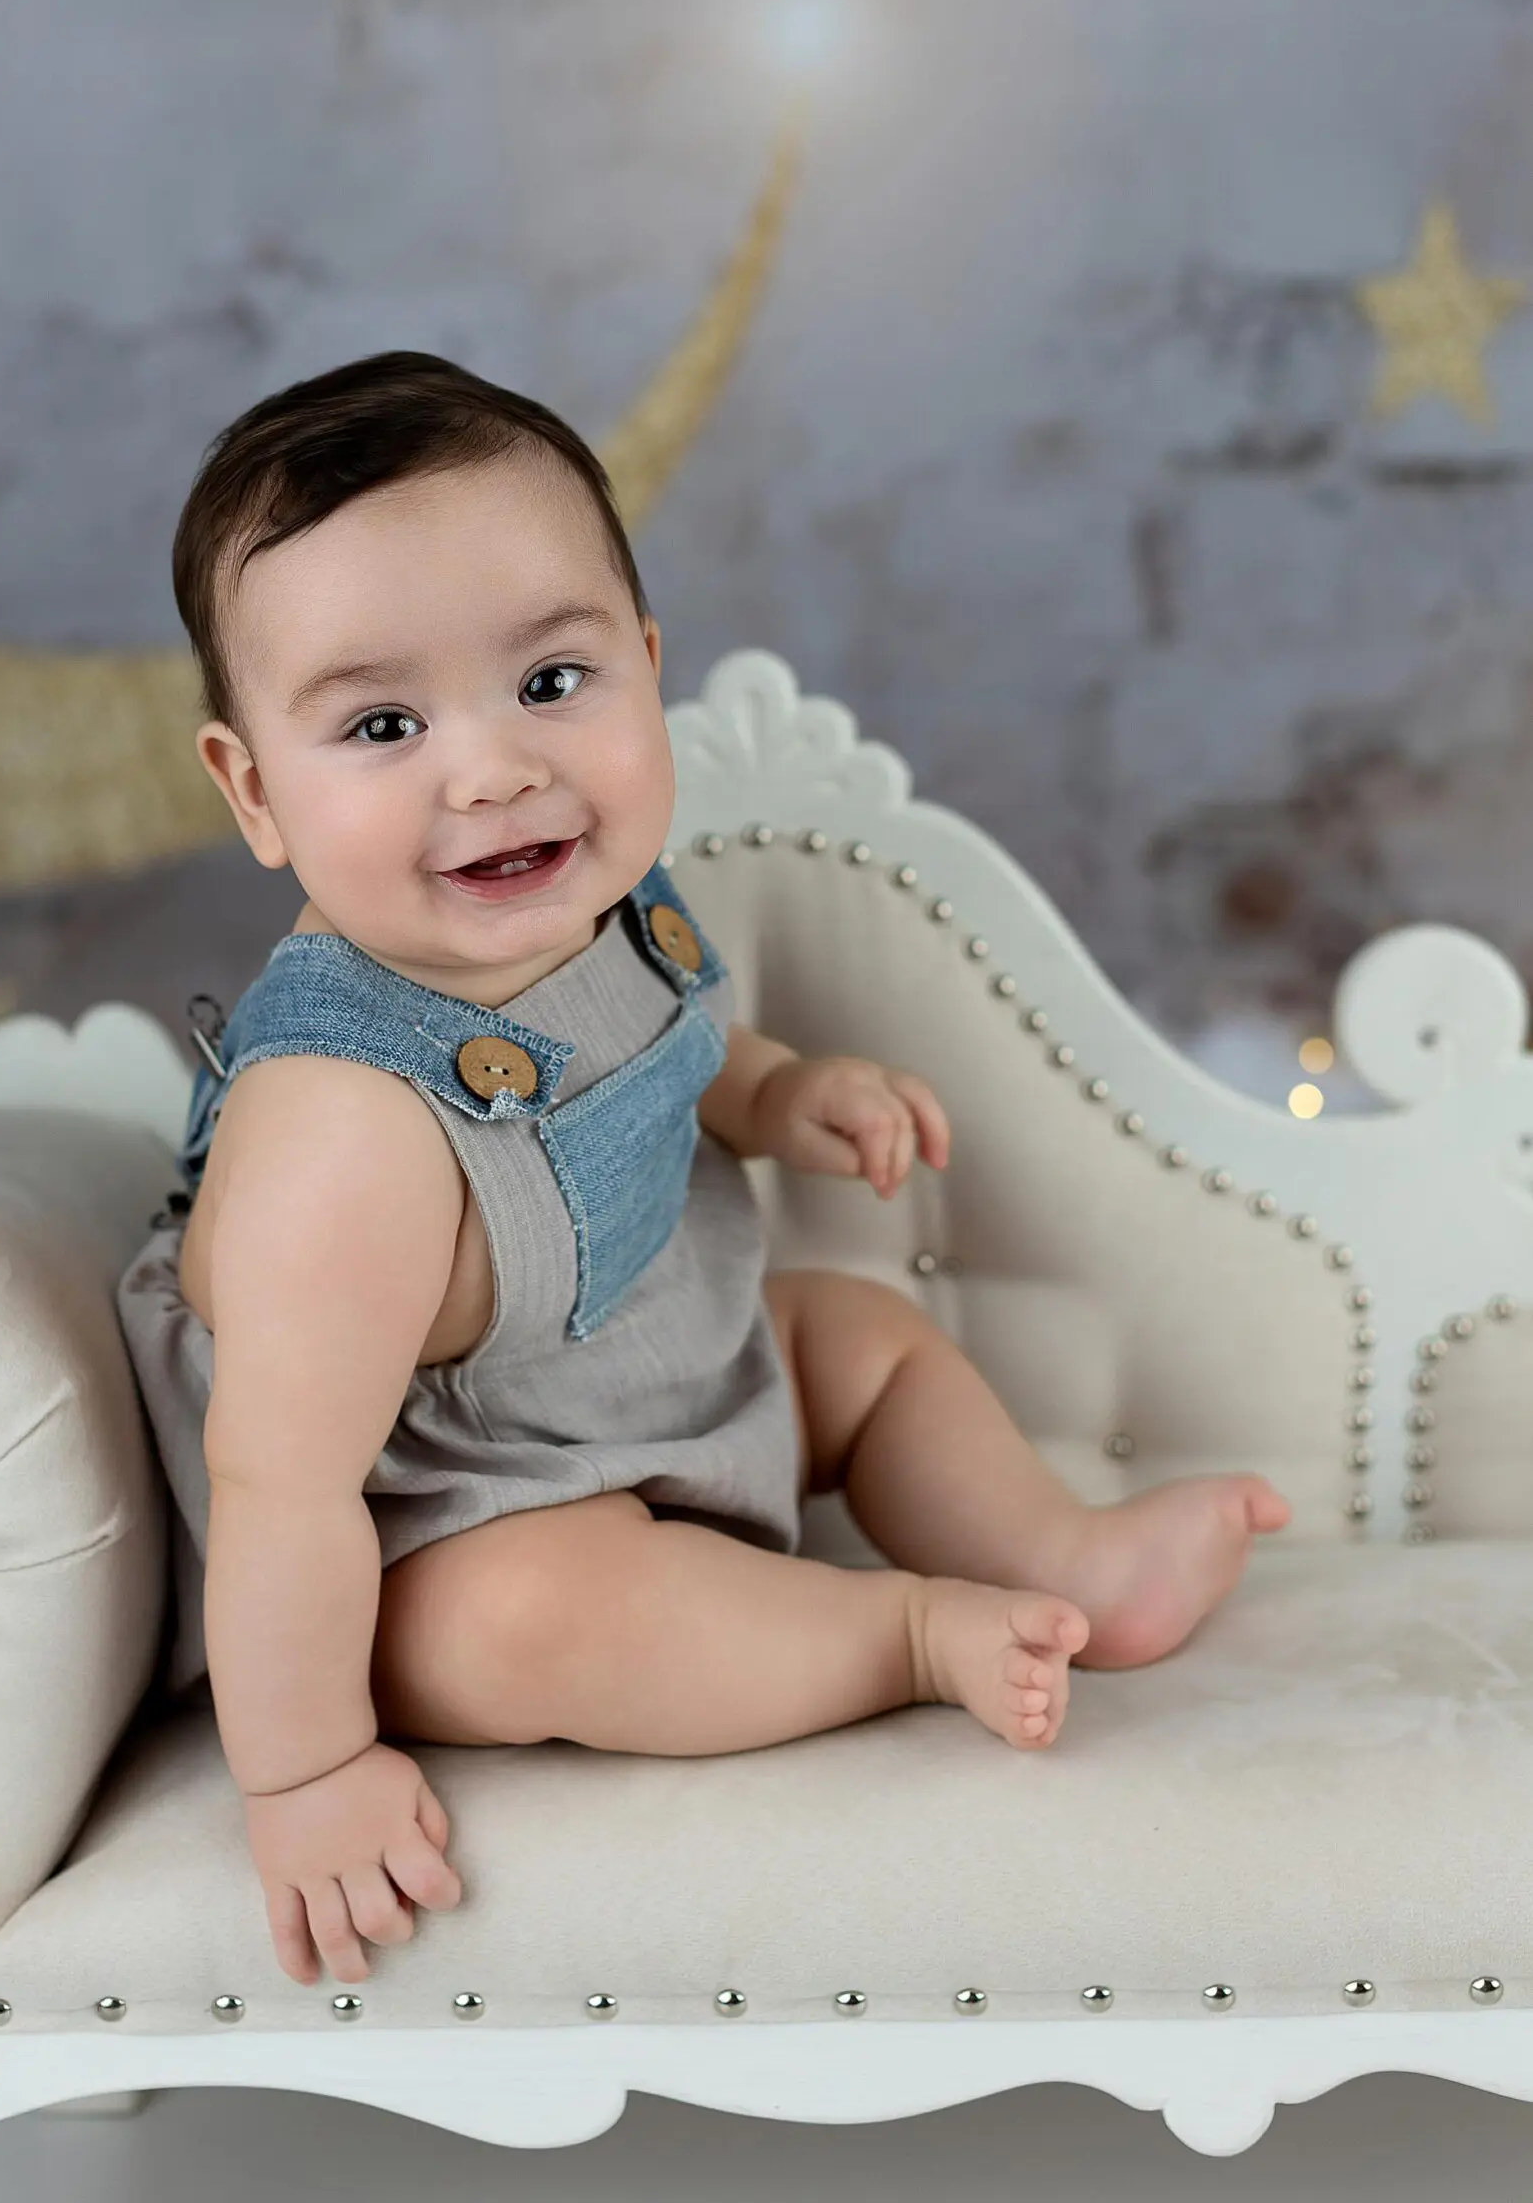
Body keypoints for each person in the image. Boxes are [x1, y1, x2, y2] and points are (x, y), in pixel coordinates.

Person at [115, 350, 1291, 1993]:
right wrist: (305, 1777)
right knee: (537, 1619)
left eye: (550, 683)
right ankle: (901, 1632)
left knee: (860, 1338)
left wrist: (778, 1093)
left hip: (659, 1381)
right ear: (254, 790)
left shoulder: (596, 907)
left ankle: (1066, 1552)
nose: (491, 770)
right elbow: (280, 1492)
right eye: (383, 723)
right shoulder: (339, 1135)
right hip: (429, 1527)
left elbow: (657, 1046)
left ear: (645, 670)